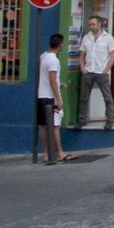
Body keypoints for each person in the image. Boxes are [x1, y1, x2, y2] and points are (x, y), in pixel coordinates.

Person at [38, 33, 74, 163]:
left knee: (44, 126)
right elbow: (52, 80)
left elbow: (47, 78)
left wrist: (60, 84)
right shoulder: (54, 60)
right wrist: (58, 99)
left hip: (41, 95)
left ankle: (46, 153)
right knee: (55, 126)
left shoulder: (43, 56)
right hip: (50, 97)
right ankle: (59, 152)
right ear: (60, 44)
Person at [77, 15, 114, 130]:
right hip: (88, 71)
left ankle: (109, 120)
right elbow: (82, 55)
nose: (91, 26)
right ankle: (82, 120)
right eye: (90, 24)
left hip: (101, 72)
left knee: (107, 98)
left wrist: (106, 70)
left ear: (100, 24)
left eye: (93, 24)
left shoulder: (108, 38)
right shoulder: (86, 37)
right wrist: (83, 68)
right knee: (84, 98)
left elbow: (113, 56)